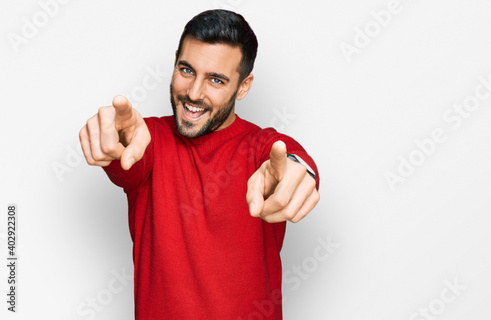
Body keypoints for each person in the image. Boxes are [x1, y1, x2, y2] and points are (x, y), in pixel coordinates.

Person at [79, 9, 320, 320]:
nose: (193, 93)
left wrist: (299, 171)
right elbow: (126, 153)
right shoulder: (147, 140)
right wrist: (112, 137)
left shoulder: (261, 147)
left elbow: (293, 162)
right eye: (187, 70)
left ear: (243, 87)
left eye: (216, 80)